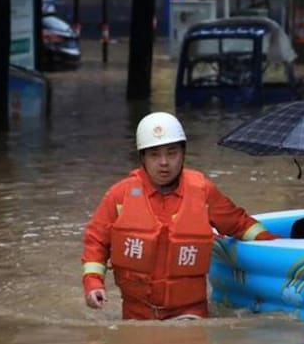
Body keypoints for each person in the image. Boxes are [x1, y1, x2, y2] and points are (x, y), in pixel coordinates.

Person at [81, 112, 277, 320]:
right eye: (154, 154)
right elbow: (96, 241)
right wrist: (93, 283)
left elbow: (240, 224)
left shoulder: (203, 191)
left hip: (190, 312)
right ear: (142, 158)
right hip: (137, 314)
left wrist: (278, 245)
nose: (164, 162)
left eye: (171, 153)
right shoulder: (119, 196)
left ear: (183, 154)